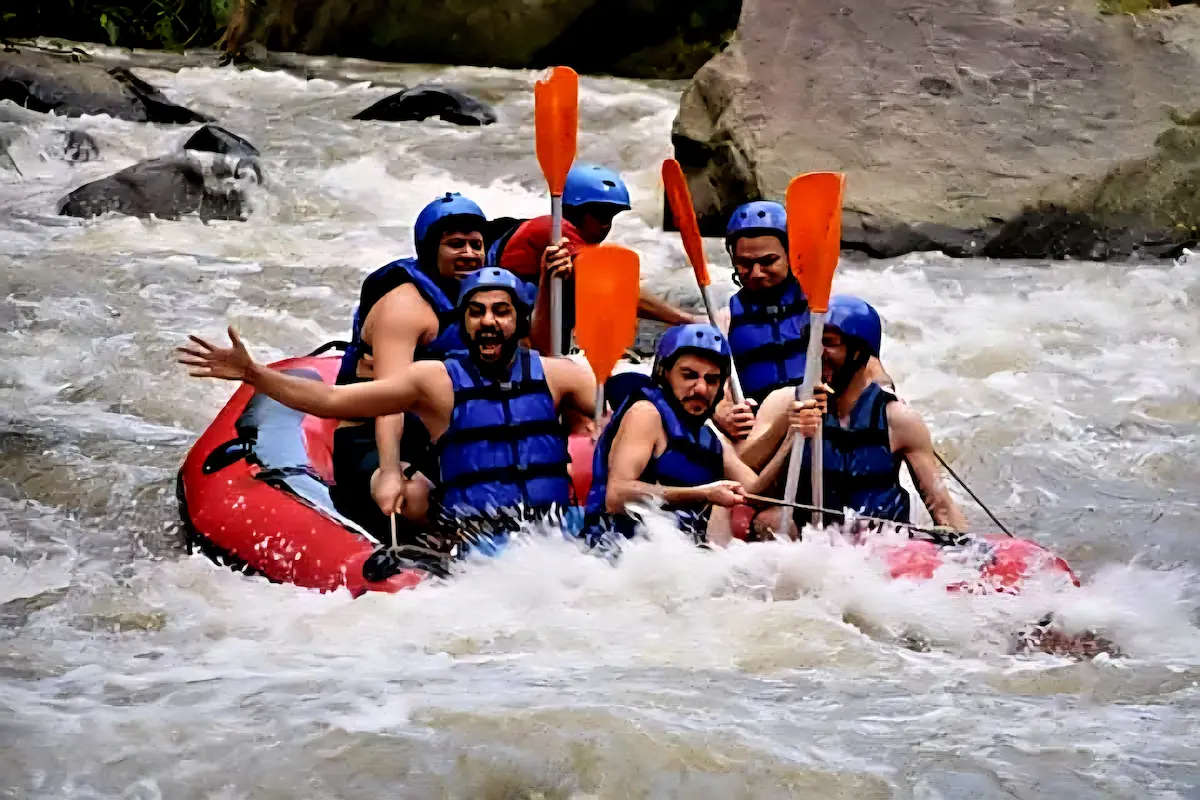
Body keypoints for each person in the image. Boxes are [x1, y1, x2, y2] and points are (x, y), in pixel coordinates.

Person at [178, 267, 597, 558]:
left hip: (559, 532)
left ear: (520, 321)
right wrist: (254, 373)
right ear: (463, 324)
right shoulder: (433, 382)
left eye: (501, 311)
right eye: (476, 311)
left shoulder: (563, 377)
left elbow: (621, 424)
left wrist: (595, 425)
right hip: (479, 542)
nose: (488, 321)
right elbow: (332, 402)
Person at [743, 294, 968, 540]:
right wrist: (789, 429)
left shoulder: (898, 419)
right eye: (811, 343)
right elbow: (750, 479)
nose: (817, 353)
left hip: (880, 547)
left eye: (828, 342)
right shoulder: (787, 401)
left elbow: (942, 508)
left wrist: (965, 553)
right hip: (811, 544)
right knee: (770, 521)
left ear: (860, 352)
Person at [580, 323, 820, 551]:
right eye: (689, 375)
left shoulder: (709, 439)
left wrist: (791, 434)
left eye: (711, 380)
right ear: (664, 373)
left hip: (672, 556)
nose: (701, 389)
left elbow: (756, 493)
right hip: (617, 549)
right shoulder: (646, 413)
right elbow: (617, 495)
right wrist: (703, 494)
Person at [713, 200, 892, 444]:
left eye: (768, 261)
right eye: (745, 264)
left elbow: (869, 368)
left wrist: (885, 396)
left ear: (791, 254)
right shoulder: (725, 320)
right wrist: (722, 413)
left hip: (822, 425)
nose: (755, 272)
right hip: (763, 435)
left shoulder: (823, 311)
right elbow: (715, 385)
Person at [489, 162, 698, 353]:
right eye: (600, 215)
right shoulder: (553, 230)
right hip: (512, 325)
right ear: (576, 212)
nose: (606, 225)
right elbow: (616, 289)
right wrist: (686, 319)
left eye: (612, 216)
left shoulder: (574, 241)